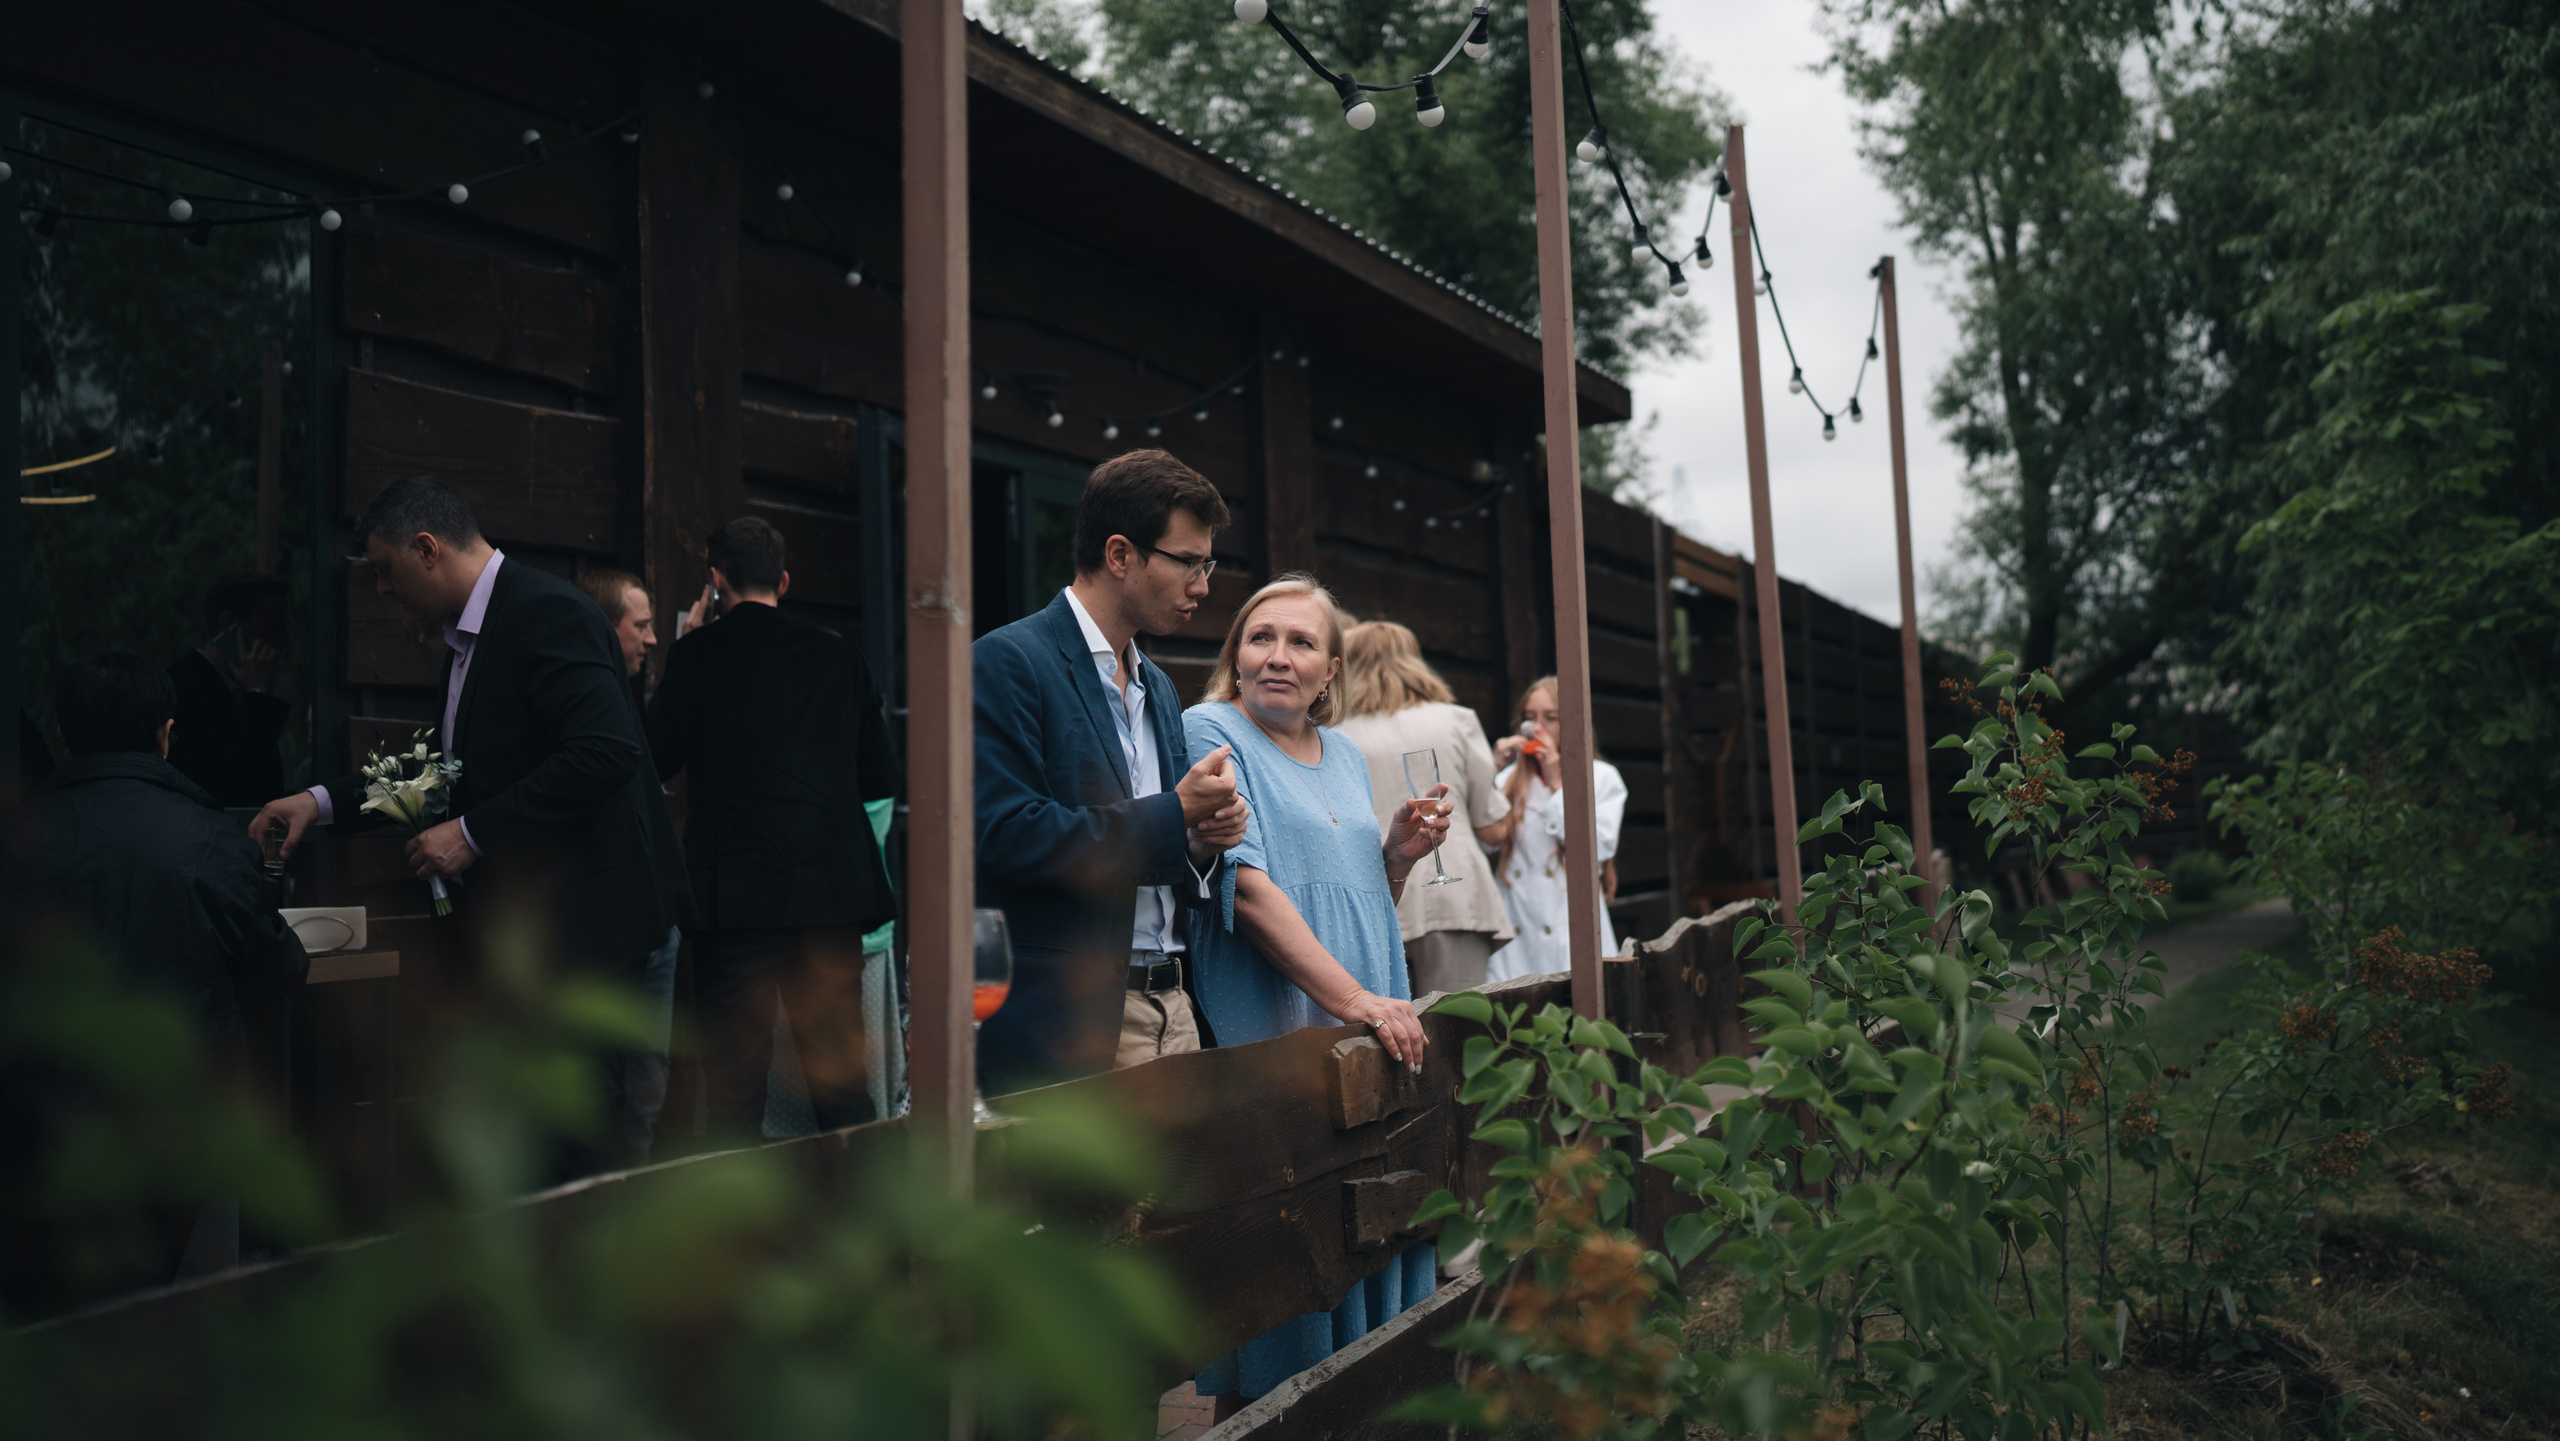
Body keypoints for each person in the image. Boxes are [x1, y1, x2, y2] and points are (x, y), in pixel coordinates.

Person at [250, 474, 689, 1180]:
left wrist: (471, 833)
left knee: (580, 1146)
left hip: (586, 937)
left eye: (387, 573)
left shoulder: (546, 613)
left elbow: (606, 750)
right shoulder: (470, 638)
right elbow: (450, 776)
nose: (384, 593)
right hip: (535, 947)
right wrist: (321, 801)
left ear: (427, 548)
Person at [1182, 575, 1449, 1414]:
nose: (1278, 657)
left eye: (1301, 643)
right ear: (1235, 653)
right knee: (1285, 1247)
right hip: (1283, 1021)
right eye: (1260, 637)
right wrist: (1359, 1002)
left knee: (1368, 1228)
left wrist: (1396, 857)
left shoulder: (1344, 755)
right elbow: (1251, 892)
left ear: (1331, 670)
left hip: (1363, 1017)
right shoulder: (1210, 728)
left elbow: (1356, 899)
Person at [6, 652, 309, 1287]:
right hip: (185, 1130)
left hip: (40, 1131)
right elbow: (279, 971)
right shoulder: (209, 839)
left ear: (66, 735)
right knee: (186, 1319)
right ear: (166, 736)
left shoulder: (22, 841)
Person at [973, 449, 1250, 1094]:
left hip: (1177, 1009)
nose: (1203, 585)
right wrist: (1174, 813)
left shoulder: (1157, 683)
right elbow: (1008, 834)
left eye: (1206, 564)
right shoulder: (1008, 661)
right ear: (1121, 555)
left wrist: (1200, 844)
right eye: (1187, 562)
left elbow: (1152, 851)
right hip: (1073, 1024)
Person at [647, 517, 900, 1140]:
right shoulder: (841, 656)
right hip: (829, 900)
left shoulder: (698, 653)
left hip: (735, 902)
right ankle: (868, 1226)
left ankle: (744, 1235)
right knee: (841, 1088)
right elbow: (878, 778)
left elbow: (655, 756)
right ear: (782, 580)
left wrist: (688, 646)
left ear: (715, 579)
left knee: (733, 1091)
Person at [1332, 621, 1516, 997]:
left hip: (1376, 896)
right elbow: (1493, 827)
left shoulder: (1336, 732)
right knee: (1460, 1031)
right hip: (1456, 899)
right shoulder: (1457, 719)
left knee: (1389, 1039)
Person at [574, 565, 683, 1156]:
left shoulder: (624, 696)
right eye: (639, 625)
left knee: (647, 1077)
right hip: (618, 925)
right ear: (603, 626)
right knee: (621, 1081)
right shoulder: (590, 706)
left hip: (656, 918)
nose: (651, 638)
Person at [1484, 676, 1628, 983]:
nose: (1538, 728)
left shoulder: (1602, 777)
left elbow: (1599, 846)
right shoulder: (1505, 779)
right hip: (1518, 926)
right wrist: (1489, 770)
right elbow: (1485, 845)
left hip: (1569, 925)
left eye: (1551, 718)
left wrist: (1556, 782)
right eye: (1530, 718)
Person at [167, 572, 291, 807]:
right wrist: (258, 697)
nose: (284, 641)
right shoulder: (178, 692)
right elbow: (236, 784)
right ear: (228, 625)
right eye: (274, 627)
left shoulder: (239, 692)